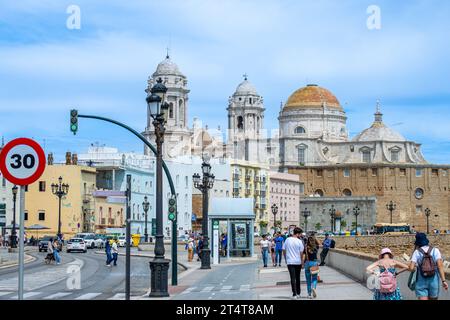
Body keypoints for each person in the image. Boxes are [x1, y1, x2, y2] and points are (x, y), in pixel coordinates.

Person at [408, 233, 448, 300]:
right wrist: (443, 281)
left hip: (421, 281)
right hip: (433, 280)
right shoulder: (435, 250)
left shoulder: (416, 252)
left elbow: (411, 268)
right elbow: (440, 266)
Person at [282, 227, 304, 299]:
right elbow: (301, 253)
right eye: (300, 234)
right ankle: (298, 293)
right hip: (298, 262)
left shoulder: (287, 240)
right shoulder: (299, 241)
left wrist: (286, 258)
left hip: (290, 261)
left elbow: (284, 250)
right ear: (297, 233)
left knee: (292, 278)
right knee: (298, 278)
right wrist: (302, 262)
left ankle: (294, 294)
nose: (300, 235)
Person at [304, 234, 321, 299]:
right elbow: (319, 243)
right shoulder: (316, 247)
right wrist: (314, 237)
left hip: (307, 263)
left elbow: (303, 256)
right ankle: (313, 287)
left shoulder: (306, 247)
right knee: (314, 278)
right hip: (314, 263)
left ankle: (309, 294)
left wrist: (302, 263)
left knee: (308, 280)